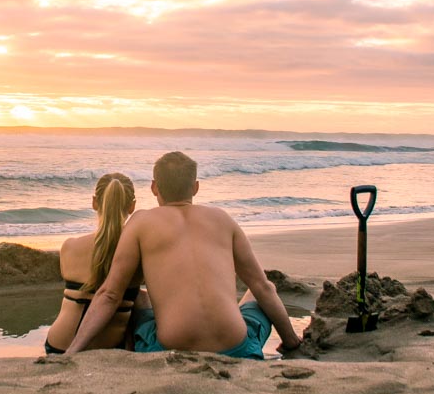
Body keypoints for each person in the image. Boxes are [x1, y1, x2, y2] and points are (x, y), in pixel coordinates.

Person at [66, 152, 301, 359]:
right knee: (257, 290)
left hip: (168, 350)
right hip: (237, 348)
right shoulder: (222, 219)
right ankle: (289, 341)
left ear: (154, 187)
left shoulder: (141, 222)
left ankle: (129, 350)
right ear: (195, 187)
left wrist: (72, 351)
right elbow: (263, 288)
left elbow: (109, 294)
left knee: (139, 297)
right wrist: (292, 342)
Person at [44, 172, 141, 354]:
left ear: (94, 202)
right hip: (108, 349)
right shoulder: (138, 254)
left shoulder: (70, 247)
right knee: (140, 298)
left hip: (58, 345)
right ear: (132, 206)